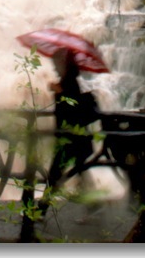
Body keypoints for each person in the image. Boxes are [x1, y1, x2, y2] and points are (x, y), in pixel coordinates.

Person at [38, 49, 99, 212]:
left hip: (71, 137)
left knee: (56, 174)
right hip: (75, 137)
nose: (55, 67)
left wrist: (60, 92)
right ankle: (93, 203)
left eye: (57, 64)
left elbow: (72, 107)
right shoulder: (67, 81)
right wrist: (58, 90)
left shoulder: (70, 82)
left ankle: (42, 208)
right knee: (79, 171)